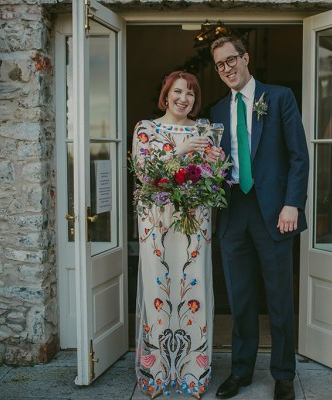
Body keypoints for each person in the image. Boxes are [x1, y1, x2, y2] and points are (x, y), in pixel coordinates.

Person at [209, 37, 309, 400]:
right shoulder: (218, 110)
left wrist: (292, 204)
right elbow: (214, 166)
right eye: (220, 65)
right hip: (233, 211)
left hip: (274, 213)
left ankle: (283, 375)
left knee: (279, 299)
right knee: (241, 300)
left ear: (245, 58)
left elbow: (299, 156)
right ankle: (240, 372)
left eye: (231, 60)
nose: (227, 69)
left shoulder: (279, 97)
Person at [131, 71, 214, 399]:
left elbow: (210, 175)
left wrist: (213, 163)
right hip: (157, 222)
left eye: (191, 93)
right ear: (166, 95)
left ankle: (194, 374)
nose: (184, 98)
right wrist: (180, 150)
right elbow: (143, 173)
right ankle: (158, 373)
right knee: (159, 288)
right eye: (178, 92)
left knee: (193, 287)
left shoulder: (203, 129)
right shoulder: (145, 128)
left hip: (194, 220)